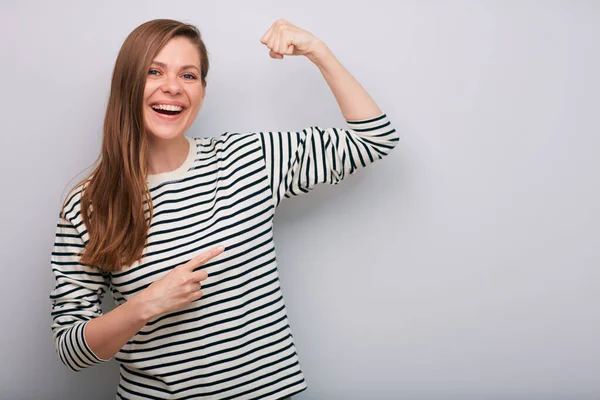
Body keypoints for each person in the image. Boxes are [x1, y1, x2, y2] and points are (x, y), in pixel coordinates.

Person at [50, 18, 398, 399]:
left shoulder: (249, 159)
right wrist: (144, 306)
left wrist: (318, 51)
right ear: (127, 84)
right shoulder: (90, 204)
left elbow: (375, 138)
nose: (172, 87)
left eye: (189, 75)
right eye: (154, 71)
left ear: (201, 90)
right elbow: (71, 350)